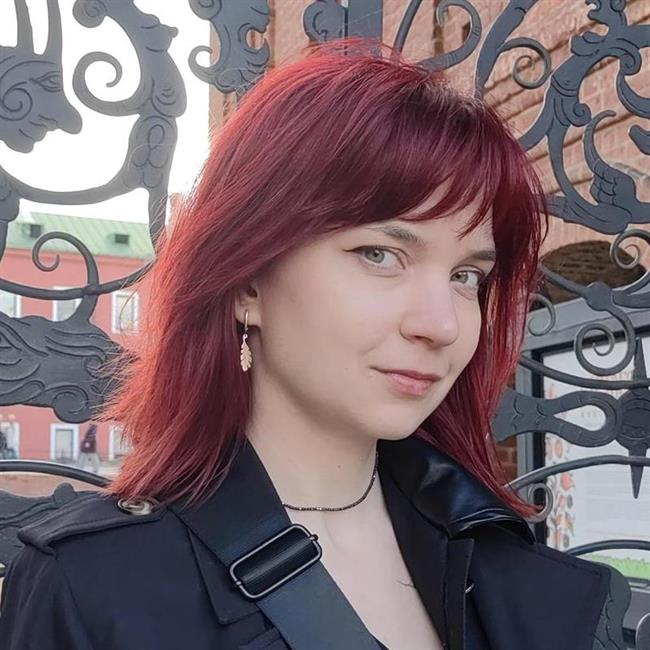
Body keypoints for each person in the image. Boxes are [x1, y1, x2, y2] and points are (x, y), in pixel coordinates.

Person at [0, 40, 616, 650]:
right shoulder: (96, 590)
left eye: (466, 276)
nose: (442, 325)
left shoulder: (507, 568)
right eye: (380, 255)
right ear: (247, 282)